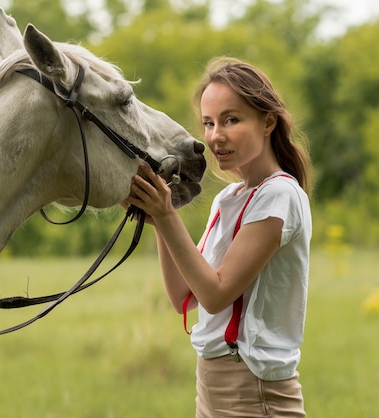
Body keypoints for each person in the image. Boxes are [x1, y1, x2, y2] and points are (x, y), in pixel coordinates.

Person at [125, 57, 312, 417]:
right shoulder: (228, 198)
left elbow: (216, 294)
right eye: (208, 123)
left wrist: (166, 215)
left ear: (268, 121)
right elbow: (184, 295)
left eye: (231, 120)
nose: (215, 136)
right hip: (210, 381)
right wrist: (165, 216)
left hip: (253, 389)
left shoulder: (279, 196)